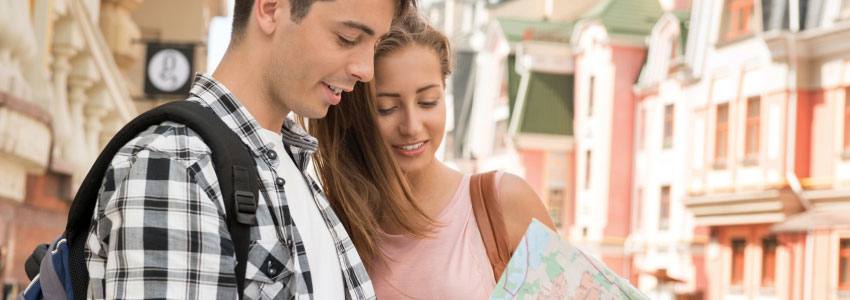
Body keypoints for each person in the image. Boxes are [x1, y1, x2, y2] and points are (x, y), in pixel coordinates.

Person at [83, 0, 415, 298]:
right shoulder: (178, 167)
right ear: (270, 9)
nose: (366, 70)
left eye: (375, 45)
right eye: (348, 38)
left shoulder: (291, 164)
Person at [310, 14, 557, 299]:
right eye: (387, 108)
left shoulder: (503, 203)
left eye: (428, 102)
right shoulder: (332, 222)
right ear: (354, 115)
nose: (412, 126)